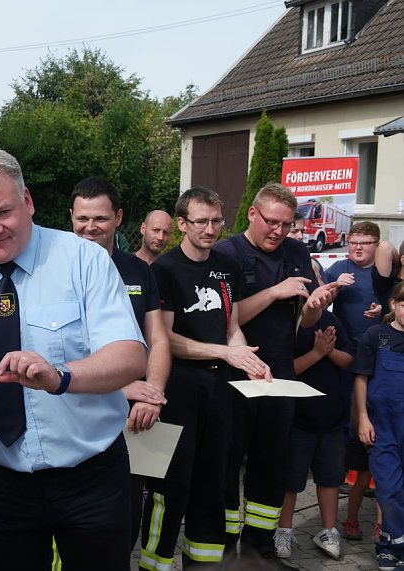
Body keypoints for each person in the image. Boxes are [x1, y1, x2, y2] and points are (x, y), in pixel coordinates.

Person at [0, 150, 148, 570]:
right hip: (2, 483)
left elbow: (129, 357)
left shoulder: (84, 261)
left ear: (28, 202)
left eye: (3, 212)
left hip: (92, 478)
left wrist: (60, 376)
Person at [139, 187, 271, 570]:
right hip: (178, 389)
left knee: (215, 483)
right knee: (170, 486)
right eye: (201, 221)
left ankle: (204, 564)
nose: (211, 229)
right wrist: (226, 352)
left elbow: (230, 325)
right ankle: (155, 564)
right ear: (182, 224)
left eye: (217, 221)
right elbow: (164, 339)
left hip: (221, 389)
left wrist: (247, 359)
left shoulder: (227, 267)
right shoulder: (162, 271)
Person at [213, 182, 335, 566]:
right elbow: (221, 320)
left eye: (286, 224)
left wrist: (315, 305)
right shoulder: (225, 253)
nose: (279, 231)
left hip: (279, 373)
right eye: (271, 222)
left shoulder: (297, 251)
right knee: (228, 462)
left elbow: (305, 317)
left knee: (271, 463)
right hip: (234, 372)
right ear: (252, 213)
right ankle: (225, 545)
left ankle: (260, 549)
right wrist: (273, 292)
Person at [68, 177, 170, 549]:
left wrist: (152, 392)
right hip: (76, 415)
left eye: (100, 218)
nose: (90, 227)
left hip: (134, 419)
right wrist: (123, 384)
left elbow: (157, 339)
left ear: (119, 218)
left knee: (122, 524)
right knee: (73, 529)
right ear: (71, 218)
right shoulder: (55, 271)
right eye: (82, 218)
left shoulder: (139, 271)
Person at [274, 310, 353, 561]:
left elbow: (349, 359)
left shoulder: (332, 320)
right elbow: (282, 370)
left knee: (330, 477)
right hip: (297, 419)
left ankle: (329, 531)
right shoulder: (289, 321)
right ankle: (284, 530)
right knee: (292, 479)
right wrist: (316, 353)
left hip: (331, 417)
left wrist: (330, 352)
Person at [323, 221, 384, 542]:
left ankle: (367, 473)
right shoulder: (337, 268)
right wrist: (334, 288)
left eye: (365, 242)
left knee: (372, 414)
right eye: (354, 241)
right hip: (343, 356)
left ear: (376, 244)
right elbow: (316, 301)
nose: (358, 247)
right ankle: (346, 471)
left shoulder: (382, 274)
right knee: (347, 414)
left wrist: (381, 310)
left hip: (378, 357)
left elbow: (395, 307)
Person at [354, 281, 404, 571]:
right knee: (387, 490)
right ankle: (397, 543)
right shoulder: (376, 336)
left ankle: (389, 547)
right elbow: (361, 379)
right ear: (393, 305)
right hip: (383, 427)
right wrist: (362, 417)